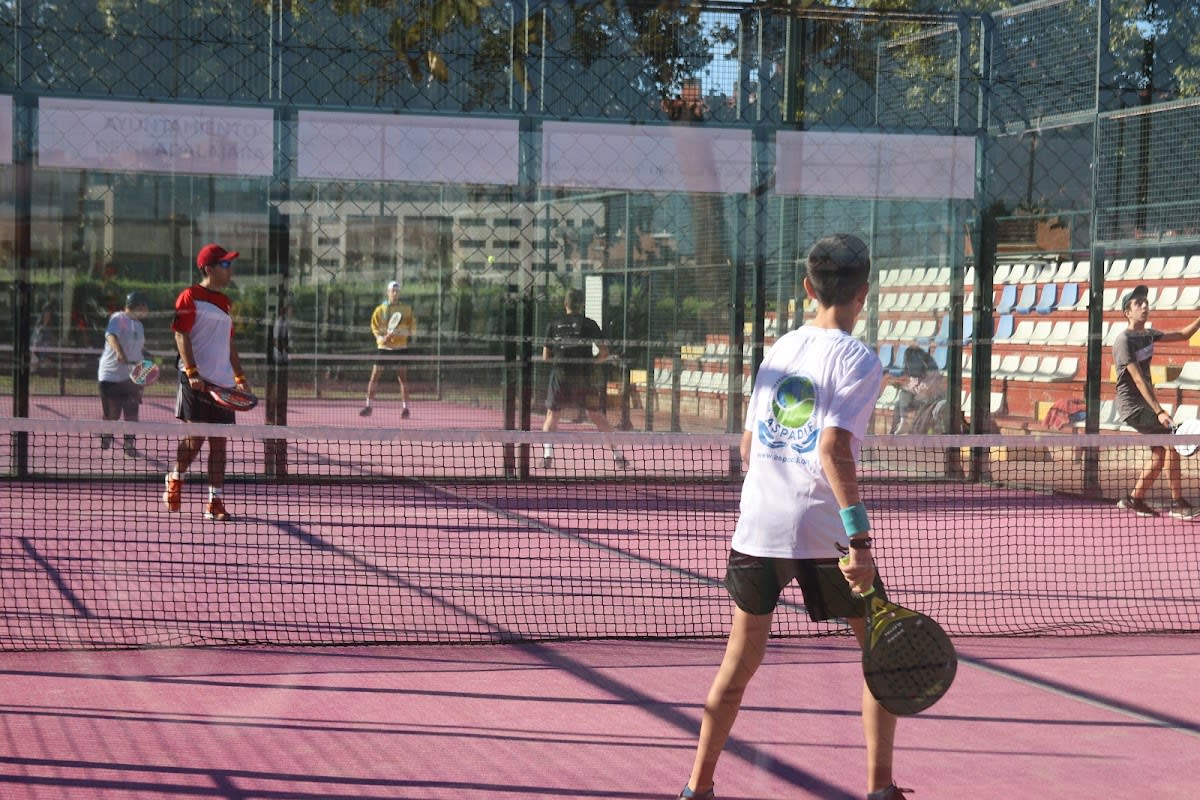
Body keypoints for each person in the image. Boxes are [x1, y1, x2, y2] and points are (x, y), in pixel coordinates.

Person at [678, 234, 909, 800]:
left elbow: (749, 448)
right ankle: (881, 790)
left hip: (758, 522)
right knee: (881, 653)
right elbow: (833, 448)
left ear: (808, 290)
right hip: (823, 530)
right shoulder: (858, 359)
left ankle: (697, 789)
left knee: (739, 662)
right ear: (865, 293)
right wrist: (859, 542)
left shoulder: (778, 350)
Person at [162, 243, 249, 522]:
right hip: (195, 381)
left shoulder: (225, 303)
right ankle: (175, 478)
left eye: (230, 264)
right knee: (195, 438)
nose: (230, 269)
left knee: (219, 444)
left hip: (223, 385)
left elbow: (230, 342)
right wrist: (192, 371)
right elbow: (180, 334)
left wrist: (239, 378)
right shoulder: (189, 296)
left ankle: (215, 501)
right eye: (225, 265)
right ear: (209, 269)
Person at [1113, 283, 1200, 518]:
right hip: (1132, 407)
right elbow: (1139, 380)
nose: (1144, 306)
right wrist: (1159, 411)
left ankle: (1135, 498)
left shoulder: (1148, 335)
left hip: (1145, 405)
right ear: (1127, 312)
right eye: (1138, 303)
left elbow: (1184, 334)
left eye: (1146, 303)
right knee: (1172, 438)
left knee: (1159, 455)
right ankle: (1178, 503)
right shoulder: (1123, 341)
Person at [540, 288, 625, 468]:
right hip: (583, 377)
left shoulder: (553, 325)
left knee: (552, 415)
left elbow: (546, 357)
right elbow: (604, 353)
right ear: (582, 305)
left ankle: (547, 456)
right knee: (596, 414)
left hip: (560, 376)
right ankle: (618, 456)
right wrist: (589, 362)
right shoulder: (590, 324)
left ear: (565, 305)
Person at [97, 291, 150, 456]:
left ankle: (129, 445)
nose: (147, 310)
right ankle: (107, 434)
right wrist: (120, 352)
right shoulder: (118, 318)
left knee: (132, 413)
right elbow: (111, 336)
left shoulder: (139, 326)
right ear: (138, 305)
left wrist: (143, 377)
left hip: (131, 377)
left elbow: (139, 353)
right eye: (145, 307)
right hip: (111, 376)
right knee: (113, 414)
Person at [360, 280, 414, 418]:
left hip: (401, 348)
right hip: (384, 348)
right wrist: (379, 338)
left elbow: (412, 329)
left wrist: (402, 334)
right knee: (374, 378)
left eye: (397, 291)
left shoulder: (406, 310)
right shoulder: (379, 310)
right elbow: (375, 328)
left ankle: (406, 409)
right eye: (392, 291)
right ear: (388, 292)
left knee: (403, 379)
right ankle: (368, 406)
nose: (395, 293)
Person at [891, 338, 945, 434]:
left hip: (933, 399)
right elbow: (913, 385)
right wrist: (903, 386)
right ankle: (895, 430)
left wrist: (909, 389)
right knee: (898, 403)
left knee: (905, 395)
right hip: (920, 397)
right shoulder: (915, 371)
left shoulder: (931, 370)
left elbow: (926, 391)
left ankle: (907, 426)